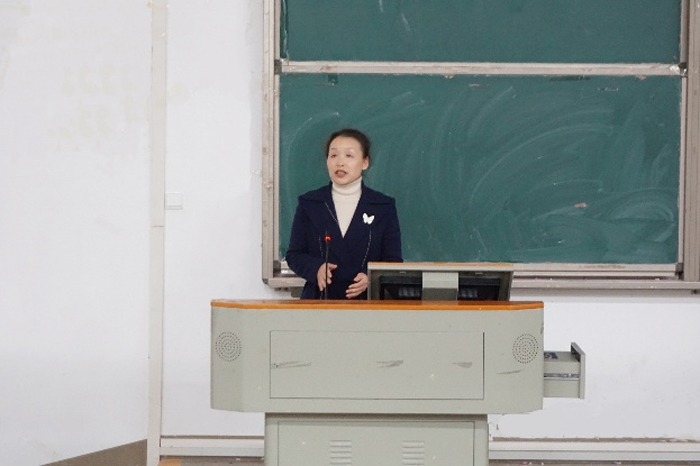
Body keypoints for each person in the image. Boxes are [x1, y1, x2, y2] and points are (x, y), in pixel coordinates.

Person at [286, 128, 403, 299]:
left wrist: (371, 277)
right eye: (333, 155)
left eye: (349, 155)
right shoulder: (310, 203)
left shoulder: (382, 206)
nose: (340, 162)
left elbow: (393, 260)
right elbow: (294, 254)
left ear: (365, 162)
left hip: (366, 302)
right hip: (320, 300)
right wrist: (316, 268)